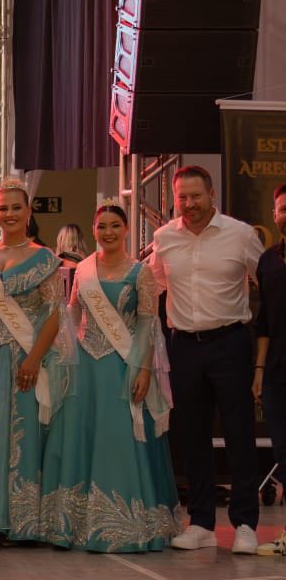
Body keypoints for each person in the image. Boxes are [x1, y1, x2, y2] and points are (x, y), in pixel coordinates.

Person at [40, 202, 180, 552]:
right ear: (94, 230)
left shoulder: (140, 273)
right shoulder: (84, 270)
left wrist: (143, 369)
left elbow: (148, 324)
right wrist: (59, 354)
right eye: (102, 226)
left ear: (127, 229)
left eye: (115, 226)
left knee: (118, 438)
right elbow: (73, 312)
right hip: (86, 367)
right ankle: (75, 523)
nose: (108, 232)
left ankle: (124, 524)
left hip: (122, 366)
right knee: (82, 436)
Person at [151, 165, 264, 553]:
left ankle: (245, 523)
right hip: (183, 345)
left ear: (212, 195)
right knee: (192, 435)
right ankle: (201, 522)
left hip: (230, 342)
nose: (189, 204)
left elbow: (267, 282)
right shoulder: (164, 238)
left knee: (239, 433)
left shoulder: (241, 234)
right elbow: (153, 287)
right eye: (181, 197)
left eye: (196, 196)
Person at [0, 179, 70, 542]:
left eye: (16, 207)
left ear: (28, 212)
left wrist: (34, 359)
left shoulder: (45, 258)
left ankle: (20, 521)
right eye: (3, 208)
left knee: (19, 435)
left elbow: (55, 313)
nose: (9, 214)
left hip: (24, 358)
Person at [255, 184, 286, 556]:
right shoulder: (268, 262)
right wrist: (259, 369)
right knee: (283, 449)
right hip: (277, 371)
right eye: (283, 208)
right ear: (275, 215)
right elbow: (263, 320)